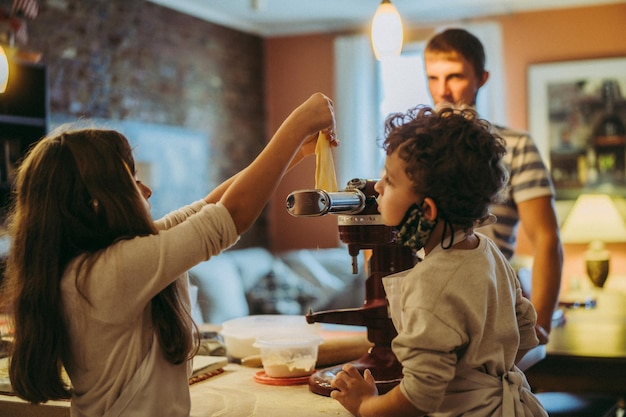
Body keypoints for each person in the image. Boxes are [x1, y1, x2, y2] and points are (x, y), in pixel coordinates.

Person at [4, 92, 337, 416]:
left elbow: (211, 207)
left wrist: (294, 150)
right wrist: (298, 123)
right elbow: (231, 215)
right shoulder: (111, 272)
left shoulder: (99, 264)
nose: (147, 189)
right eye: (131, 181)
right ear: (96, 202)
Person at [330, 105, 547, 416]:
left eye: (389, 181)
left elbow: (418, 396)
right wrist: (482, 377)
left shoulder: (429, 282)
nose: (377, 187)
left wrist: (366, 404)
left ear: (426, 211)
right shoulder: (488, 251)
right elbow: (525, 330)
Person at [423, 28, 563, 343]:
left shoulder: (515, 145)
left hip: (492, 304)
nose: (442, 90)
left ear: (482, 78)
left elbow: (546, 237)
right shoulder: (414, 149)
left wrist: (540, 327)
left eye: (455, 77)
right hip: (424, 304)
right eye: (433, 78)